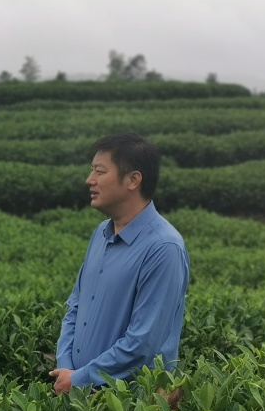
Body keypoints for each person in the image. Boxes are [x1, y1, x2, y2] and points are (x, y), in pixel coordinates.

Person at [49, 133, 189, 395]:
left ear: (133, 179)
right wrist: (67, 368)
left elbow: (143, 344)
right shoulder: (101, 233)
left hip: (125, 406)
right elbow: (75, 307)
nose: (89, 180)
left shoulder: (163, 247)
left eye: (99, 172)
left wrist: (80, 378)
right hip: (76, 392)